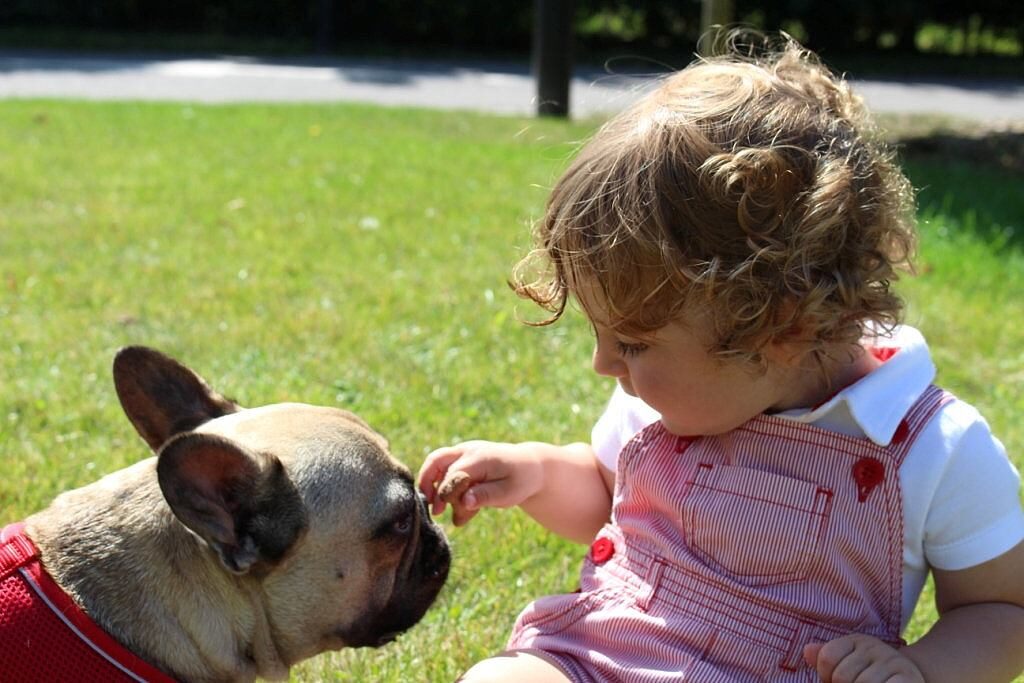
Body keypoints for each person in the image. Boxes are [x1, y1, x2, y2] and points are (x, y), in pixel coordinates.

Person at [418, 36, 1024, 683]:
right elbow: (605, 490)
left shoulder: (933, 447)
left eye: (634, 342)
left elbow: (1003, 608)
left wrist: (921, 668)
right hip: (605, 654)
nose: (604, 364)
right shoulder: (656, 398)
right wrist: (535, 471)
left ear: (779, 331)